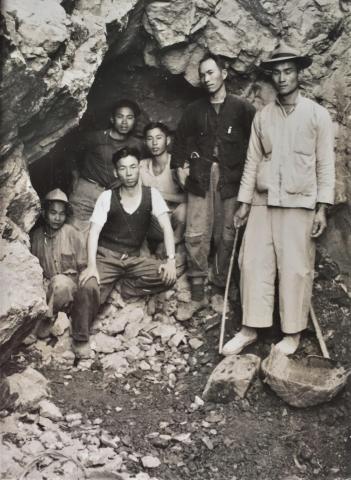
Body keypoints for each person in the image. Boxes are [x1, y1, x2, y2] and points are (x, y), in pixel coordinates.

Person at [222, 43, 335, 356]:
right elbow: (252, 162)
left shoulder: (318, 116)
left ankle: (292, 333)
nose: (283, 78)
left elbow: (326, 165)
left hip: (299, 204)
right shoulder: (263, 116)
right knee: (252, 263)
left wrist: (322, 209)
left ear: (299, 73)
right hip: (262, 201)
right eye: (277, 72)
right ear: (271, 77)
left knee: (295, 268)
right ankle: (249, 329)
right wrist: (244, 203)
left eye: (289, 71)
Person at [171, 53, 255, 305]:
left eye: (211, 72)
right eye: (202, 75)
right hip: (200, 176)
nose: (206, 79)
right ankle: (197, 290)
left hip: (232, 179)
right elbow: (179, 143)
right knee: (196, 231)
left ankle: (219, 287)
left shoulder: (243, 109)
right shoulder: (193, 110)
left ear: (224, 73)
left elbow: (258, 146)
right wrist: (179, 167)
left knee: (227, 233)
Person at [79, 146, 177, 334]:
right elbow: (94, 232)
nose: (129, 173)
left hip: (133, 259)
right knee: (87, 287)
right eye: (123, 168)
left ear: (139, 168)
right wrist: (91, 265)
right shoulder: (107, 197)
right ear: (116, 172)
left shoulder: (152, 195)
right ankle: (81, 337)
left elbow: (167, 227)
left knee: (168, 278)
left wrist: (171, 261)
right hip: (107, 257)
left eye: (132, 167)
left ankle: (125, 288)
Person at [31, 189, 100, 358]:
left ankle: (47, 325)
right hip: (45, 289)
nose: (57, 218)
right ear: (44, 213)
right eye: (53, 213)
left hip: (69, 290)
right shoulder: (35, 237)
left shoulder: (72, 234)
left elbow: (84, 267)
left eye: (62, 214)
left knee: (61, 283)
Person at [68, 99, 144, 234]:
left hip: (116, 197)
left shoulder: (137, 144)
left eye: (129, 117)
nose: (124, 122)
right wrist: (75, 176)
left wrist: (122, 181)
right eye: (120, 117)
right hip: (87, 193)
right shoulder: (95, 138)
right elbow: (71, 151)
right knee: (75, 235)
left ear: (135, 121)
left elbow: (139, 167)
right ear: (112, 119)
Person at [140, 122, 187, 246]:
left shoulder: (177, 164)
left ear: (168, 140)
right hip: (155, 221)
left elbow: (190, 198)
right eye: (150, 139)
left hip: (175, 220)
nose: (154, 143)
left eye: (159, 138)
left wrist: (159, 195)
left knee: (185, 209)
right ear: (145, 143)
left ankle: (174, 240)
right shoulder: (141, 166)